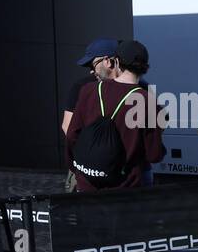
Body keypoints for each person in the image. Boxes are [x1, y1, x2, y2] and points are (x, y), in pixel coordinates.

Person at [65, 39, 165, 191]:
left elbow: (72, 135)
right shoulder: (147, 100)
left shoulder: (89, 90)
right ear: (145, 68)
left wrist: (78, 168)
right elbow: (154, 154)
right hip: (126, 189)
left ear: (116, 62)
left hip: (88, 185)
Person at [61, 37, 119, 192]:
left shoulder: (138, 88)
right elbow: (67, 127)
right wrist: (90, 156)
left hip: (121, 176)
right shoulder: (82, 86)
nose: (91, 70)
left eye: (92, 64)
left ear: (108, 61)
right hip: (87, 170)